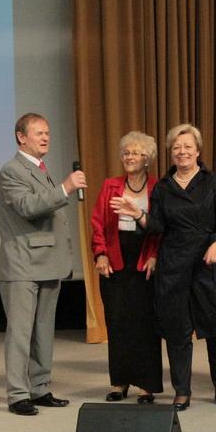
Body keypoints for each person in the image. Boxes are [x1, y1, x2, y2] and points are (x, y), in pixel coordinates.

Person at [111, 123, 216, 410]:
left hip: (210, 263)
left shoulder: (214, 181)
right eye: (176, 148)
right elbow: (157, 226)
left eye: (187, 147)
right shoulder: (164, 187)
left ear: (198, 151)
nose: (182, 152)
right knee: (177, 331)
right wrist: (139, 215)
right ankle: (182, 390)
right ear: (171, 153)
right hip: (174, 266)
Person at [0, 113, 87, 416]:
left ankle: (39, 387)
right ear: (21, 137)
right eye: (39, 133)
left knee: (43, 332)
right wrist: (64, 188)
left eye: (47, 132)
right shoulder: (12, 171)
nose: (46, 137)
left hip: (49, 262)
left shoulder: (40, 169)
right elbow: (28, 207)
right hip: (24, 264)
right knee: (21, 334)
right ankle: (17, 394)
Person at [90, 131, 163, 404]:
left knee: (145, 324)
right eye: (126, 153)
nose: (129, 157)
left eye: (136, 153)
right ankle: (119, 382)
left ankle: (146, 385)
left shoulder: (158, 188)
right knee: (117, 322)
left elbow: (162, 227)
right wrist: (100, 254)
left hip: (145, 259)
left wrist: (155, 255)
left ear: (147, 159)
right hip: (115, 258)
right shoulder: (110, 185)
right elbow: (97, 223)